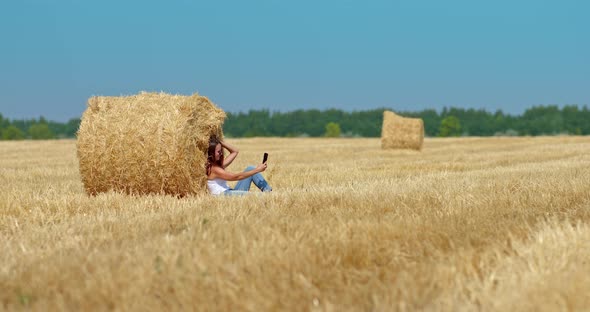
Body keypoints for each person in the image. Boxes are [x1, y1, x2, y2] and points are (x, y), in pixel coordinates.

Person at [206, 137, 272, 196]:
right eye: (218, 152)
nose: (221, 153)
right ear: (211, 153)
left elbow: (235, 151)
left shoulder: (218, 165)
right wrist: (257, 170)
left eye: (221, 151)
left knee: (250, 168)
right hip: (223, 195)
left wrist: (219, 142)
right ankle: (268, 196)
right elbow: (235, 177)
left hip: (229, 192)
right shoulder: (213, 169)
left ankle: (268, 192)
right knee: (254, 196)